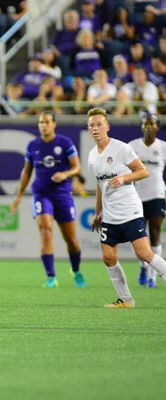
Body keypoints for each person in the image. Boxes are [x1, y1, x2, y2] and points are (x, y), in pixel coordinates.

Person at [87, 108, 166, 308]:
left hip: (129, 210)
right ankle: (126, 300)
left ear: (107, 127)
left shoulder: (121, 148)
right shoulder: (91, 156)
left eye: (99, 124)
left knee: (145, 254)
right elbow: (99, 184)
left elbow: (143, 171)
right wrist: (98, 211)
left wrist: (124, 177)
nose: (95, 129)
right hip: (110, 213)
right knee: (108, 256)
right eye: (91, 126)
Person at [10, 111, 86, 288]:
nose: (43, 125)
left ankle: (75, 270)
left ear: (54, 124)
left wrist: (65, 174)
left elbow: (77, 167)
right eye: (40, 122)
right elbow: (27, 171)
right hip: (41, 193)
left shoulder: (64, 143)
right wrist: (19, 195)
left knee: (71, 240)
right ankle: (51, 277)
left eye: (47, 122)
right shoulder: (33, 145)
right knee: (45, 230)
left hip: (62, 194)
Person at [128, 114, 166, 288]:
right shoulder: (133, 146)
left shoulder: (163, 147)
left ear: (157, 127)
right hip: (136, 196)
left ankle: (152, 277)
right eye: (145, 124)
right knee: (138, 237)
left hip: (157, 194)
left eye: (152, 124)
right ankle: (144, 266)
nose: (148, 127)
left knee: (155, 234)